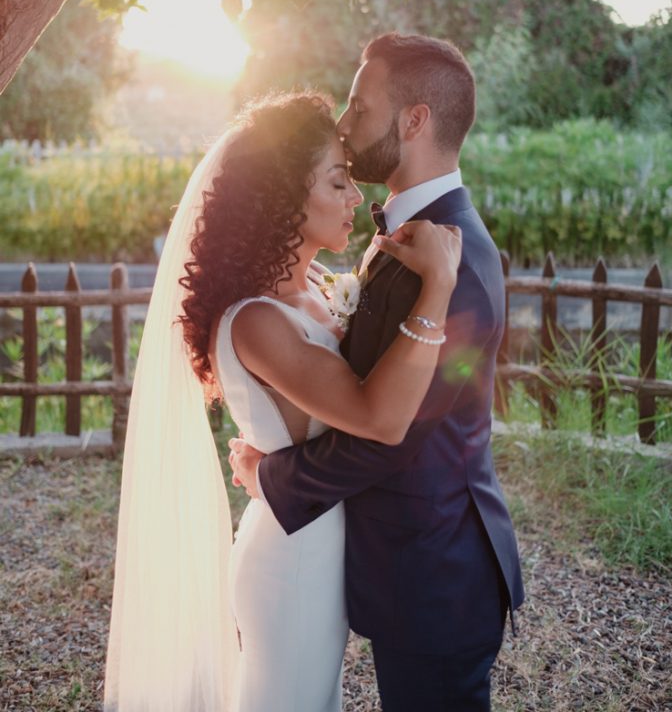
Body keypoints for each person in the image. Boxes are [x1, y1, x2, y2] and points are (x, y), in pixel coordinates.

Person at [104, 90, 462, 712]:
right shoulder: (256, 322)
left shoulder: (319, 287)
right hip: (294, 559)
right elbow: (377, 417)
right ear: (283, 198)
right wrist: (439, 288)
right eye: (336, 182)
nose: (356, 198)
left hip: (320, 537)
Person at [230, 35, 525, 712]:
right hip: (405, 563)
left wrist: (272, 477)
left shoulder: (456, 262)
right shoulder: (407, 235)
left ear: (413, 121)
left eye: (360, 107)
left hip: (437, 577)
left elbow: (394, 430)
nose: (344, 123)